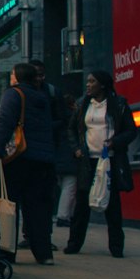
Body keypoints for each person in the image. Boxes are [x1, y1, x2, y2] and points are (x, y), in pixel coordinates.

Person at [0, 60, 55, 264]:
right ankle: (43, 254)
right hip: (42, 159)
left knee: (10, 204)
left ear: (17, 77)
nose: (10, 77)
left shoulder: (13, 94)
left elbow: (5, 124)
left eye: (12, 74)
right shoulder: (42, 97)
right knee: (37, 208)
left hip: (19, 158)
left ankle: (8, 251)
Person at [63, 70, 137, 258]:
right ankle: (74, 244)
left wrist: (115, 142)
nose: (88, 85)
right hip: (87, 160)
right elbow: (72, 129)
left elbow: (131, 131)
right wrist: (76, 148)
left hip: (110, 159)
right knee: (81, 204)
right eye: (87, 82)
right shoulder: (82, 104)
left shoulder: (118, 104)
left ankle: (116, 247)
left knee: (112, 205)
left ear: (102, 84)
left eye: (92, 82)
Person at [30, 58, 68, 233]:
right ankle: (29, 234)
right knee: (28, 197)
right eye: (35, 75)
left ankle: (43, 235)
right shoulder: (21, 93)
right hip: (27, 151)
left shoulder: (52, 92)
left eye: (41, 75)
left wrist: (45, 128)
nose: (39, 78)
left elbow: (63, 119)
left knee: (45, 196)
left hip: (47, 151)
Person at [54, 92, 78, 226]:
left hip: (58, 158)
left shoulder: (58, 120)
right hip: (70, 158)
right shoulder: (72, 119)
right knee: (70, 186)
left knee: (64, 186)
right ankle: (63, 216)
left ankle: (67, 214)